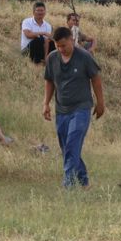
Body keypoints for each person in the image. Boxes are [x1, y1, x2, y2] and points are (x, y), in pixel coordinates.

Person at [42, 26, 104, 188]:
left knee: (72, 145)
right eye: (58, 46)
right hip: (61, 109)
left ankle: (68, 184)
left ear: (72, 40)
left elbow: (96, 79)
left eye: (64, 45)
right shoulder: (52, 58)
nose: (61, 49)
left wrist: (100, 103)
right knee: (67, 148)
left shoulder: (84, 56)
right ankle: (83, 181)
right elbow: (49, 81)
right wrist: (46, 103)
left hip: (81, 108)